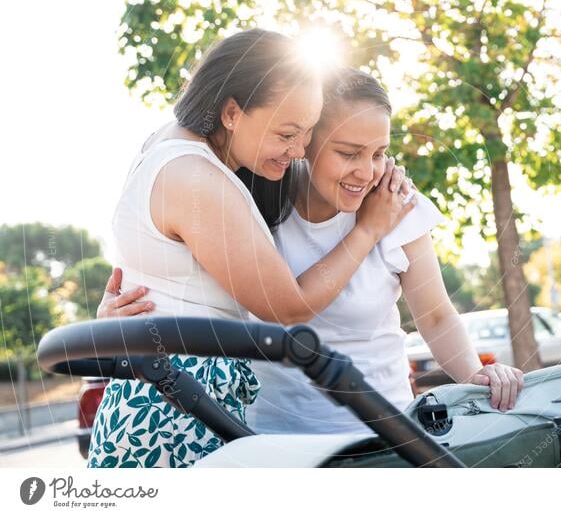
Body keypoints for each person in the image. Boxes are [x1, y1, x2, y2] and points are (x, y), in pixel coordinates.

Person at [99, 67, 523, 439]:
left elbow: (435, 315)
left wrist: (473, 372)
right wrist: (112, 316)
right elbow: (170, 263)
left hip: (384, 432)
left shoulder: (396, 204)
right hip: (268, 438)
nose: (367, 171)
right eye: (348, 153)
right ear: (305, 142)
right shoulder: (246, 198)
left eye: (379, 153)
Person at [88, 31, 415, 468]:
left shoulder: (167, 142)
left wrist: (110, 322)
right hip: (174, 420)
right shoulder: (196, 180)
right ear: (231, 113)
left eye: (308, 132)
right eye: (288, 134)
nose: (300, 150)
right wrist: (370, 229)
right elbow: (289, 308)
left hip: (172, 397)